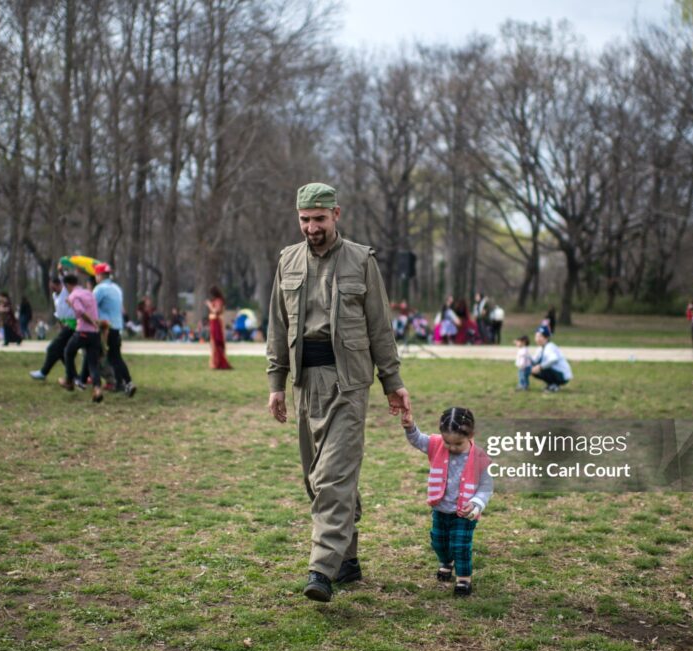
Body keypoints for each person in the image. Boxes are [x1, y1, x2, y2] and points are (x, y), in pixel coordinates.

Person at [266, 182, 411, 603]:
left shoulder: (360, 261)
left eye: (319, 219)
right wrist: (276, 383)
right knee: (318, 479)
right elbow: (277, 326)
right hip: (305, 382)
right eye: (305, 219)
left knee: (332, 477)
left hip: (348, 382)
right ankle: (346, 559)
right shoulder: (287, 261)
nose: (311, 227)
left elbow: (380, 327)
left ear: (336, 215)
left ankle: (321, 570)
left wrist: (393, 383)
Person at [402, 407, 493, 597]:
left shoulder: (480, 457)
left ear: (471, 435)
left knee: (461, 545)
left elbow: (486, 486)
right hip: (441, 509)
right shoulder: (436, 445)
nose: (451, 448)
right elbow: (418, 440)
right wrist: (410, 427)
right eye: (447, 442)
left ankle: (463, 579)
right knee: (439, 542)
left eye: (458, 443)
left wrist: (476, 503)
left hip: (465, 512)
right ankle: (446, 562)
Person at [59, 274, 105, 403]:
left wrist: (91, 321)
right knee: (92, 363)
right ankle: (97, 389)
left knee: (68, 351)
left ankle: (70, 380)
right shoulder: (88, 292)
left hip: (84, 331)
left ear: (67, 285)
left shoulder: (73, 295)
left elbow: (81, 312)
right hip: (95, 334)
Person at [93, 263, 136, 396]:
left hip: (105, 328)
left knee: (96, 355)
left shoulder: (99, 289)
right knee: (115, 357)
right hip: (117, 327)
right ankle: (122, 383)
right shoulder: (117, 288)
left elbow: (91, 306)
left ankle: (87, 381)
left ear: (99, 275)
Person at [30, 277, 77, 381]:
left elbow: (64, 277)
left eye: (52, 286)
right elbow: (59, 311)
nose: (51, 288)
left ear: (59, 284)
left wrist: (61, 268)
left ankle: (43, 372)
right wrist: (59, 323)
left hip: (71, 325)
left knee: (52, 348)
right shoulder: (54, 295)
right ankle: (74, 376)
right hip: (64, 325)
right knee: (62, 352)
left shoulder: (66, 291)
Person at [529, 326, 573, 392]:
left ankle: (554, 385)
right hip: (555, 372)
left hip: (562, 375)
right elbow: (534, 361)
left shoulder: (550, 347)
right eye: (536, 336)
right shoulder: (540, 348)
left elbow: (553, 359)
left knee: (542, 368)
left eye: (540, 336)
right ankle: (551, 384)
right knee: (531, 368)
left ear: (546, 338)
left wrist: (540, 367)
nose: (537, 339)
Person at [206, 286, 232, 370]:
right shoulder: (217, 300)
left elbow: (216, 311)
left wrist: (210, 306)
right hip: (213, 322)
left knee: (217, 342)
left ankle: (219, 363)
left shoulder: (218, 301)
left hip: (216, 322)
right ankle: (215, 362)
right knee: (214, 342)